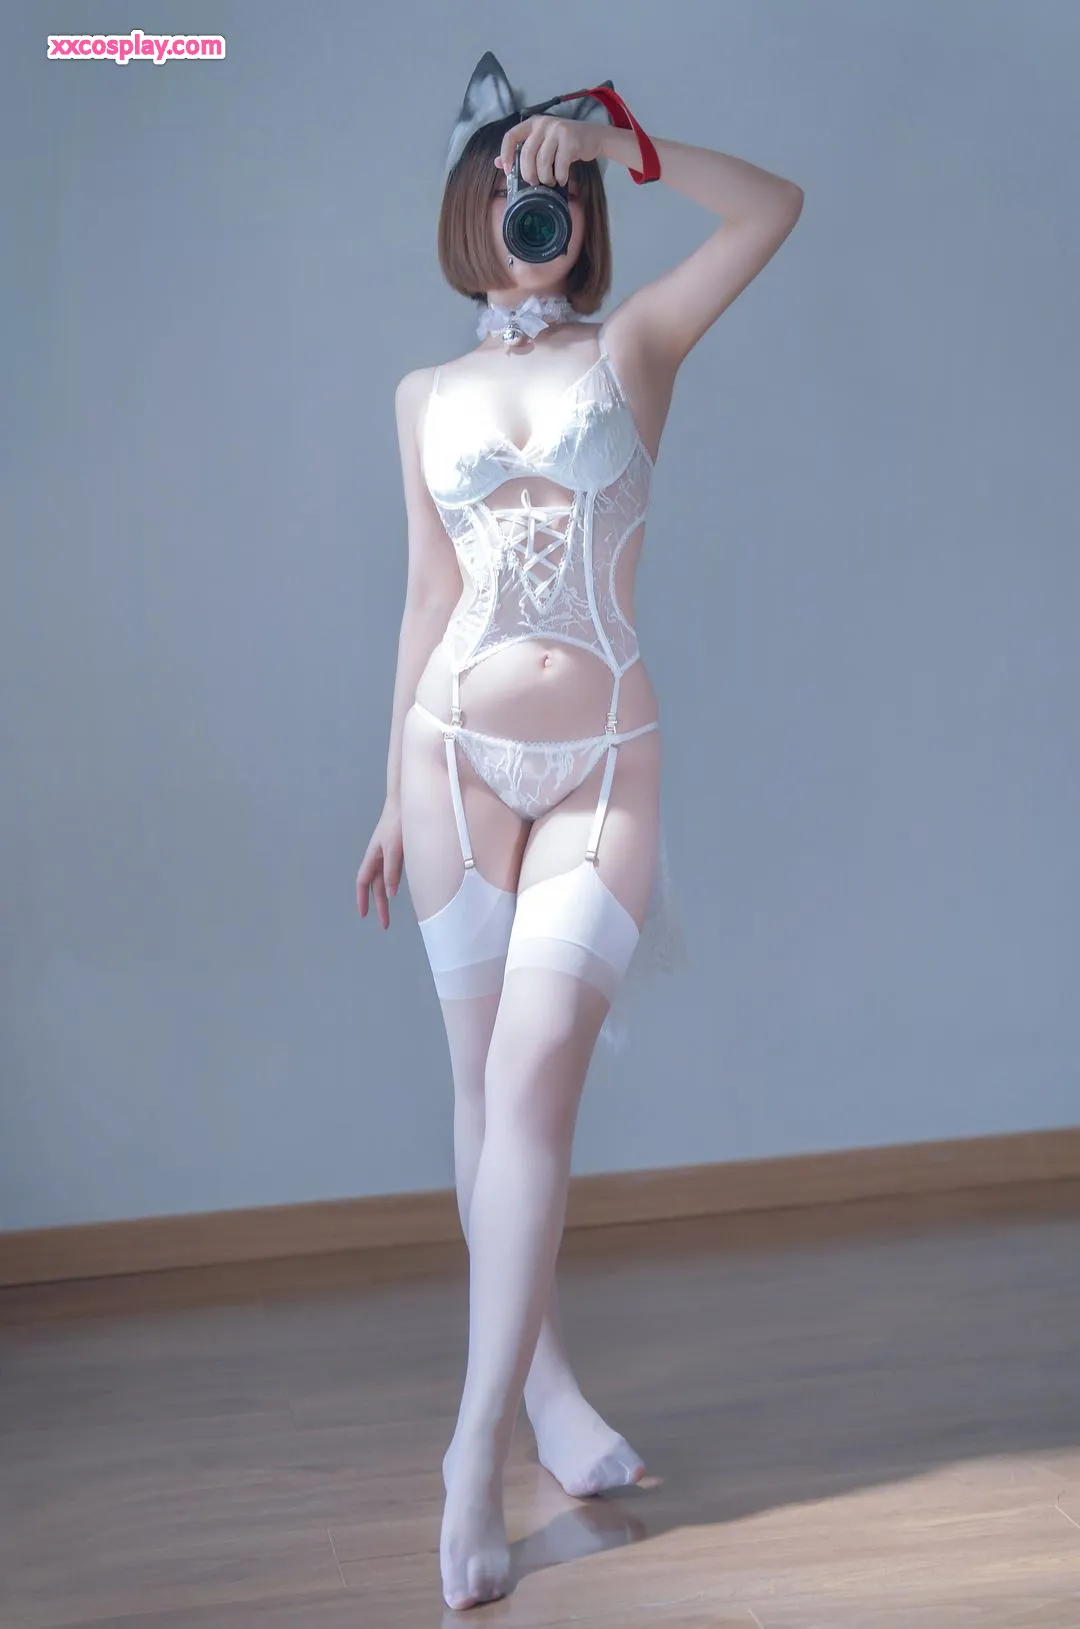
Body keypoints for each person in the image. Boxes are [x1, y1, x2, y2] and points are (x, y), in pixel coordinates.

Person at [355, 51, 803, 1613]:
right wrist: (384, 789)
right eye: (501, 188)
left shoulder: (638, 346)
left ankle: (471, 1449)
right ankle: (540, 1394)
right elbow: (425, 594)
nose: (524, 211)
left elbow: (774, 209)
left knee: (535, 1078)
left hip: (604, 759)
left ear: (576, 212)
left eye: (544, 190)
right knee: (482, 1088)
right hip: (451, 761)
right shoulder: (422, 398)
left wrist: (616, 142)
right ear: (464, 213)